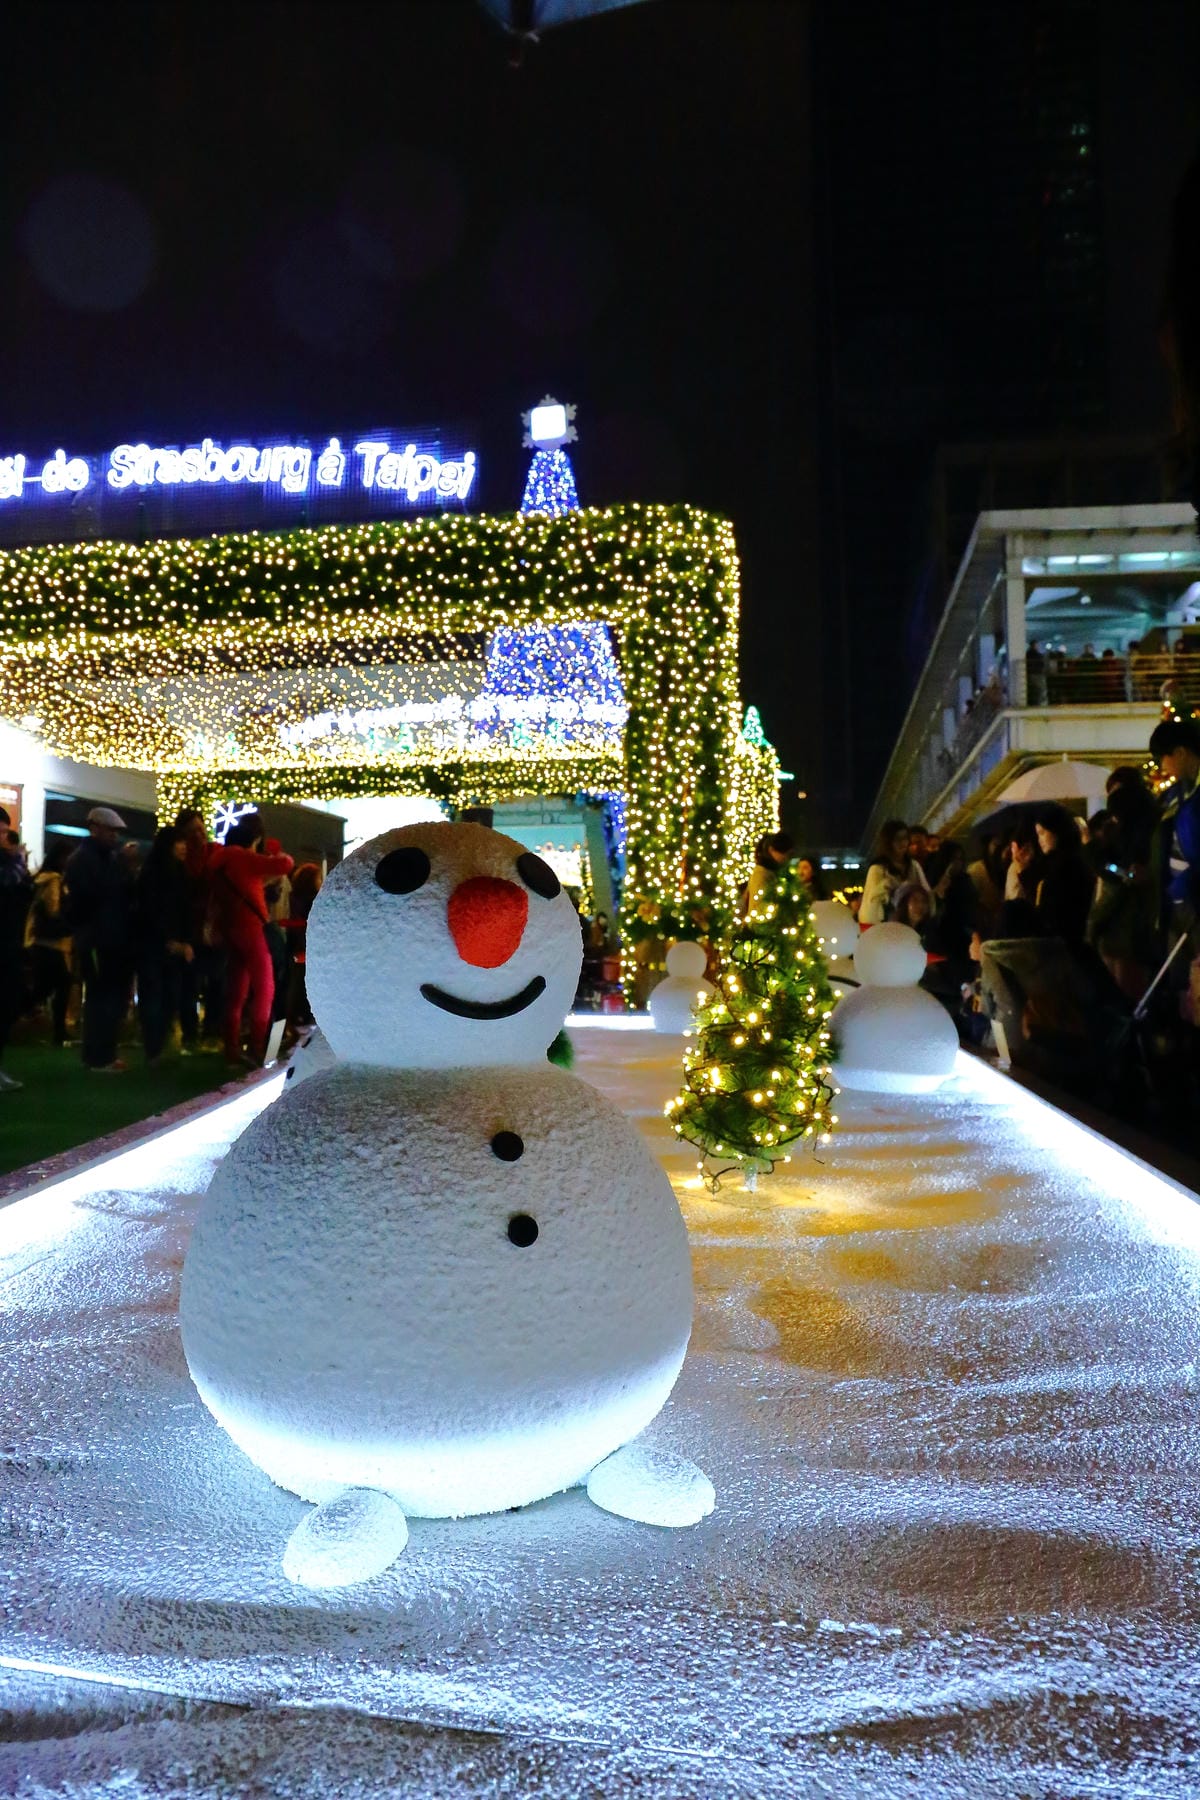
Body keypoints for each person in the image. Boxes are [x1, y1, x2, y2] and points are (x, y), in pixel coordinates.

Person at [208, 813, 293, 1065]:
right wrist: (276, 855)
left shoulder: (219, 862)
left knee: (236, 993)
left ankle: (231, 1048)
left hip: (230, 929)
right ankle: (258, 1045)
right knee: (266, 988)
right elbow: (285, 865)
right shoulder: (244, 858)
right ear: (255, 839)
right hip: (252, 929)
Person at [63, 805, 135, 1072]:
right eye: (110, 830)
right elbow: (95, 896)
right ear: (94, 828)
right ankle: (97, 1057)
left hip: (109, 938)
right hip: (96, 939)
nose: (114, 836)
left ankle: (102, 1054)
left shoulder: (102, 858)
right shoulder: (84, 860)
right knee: (100, 998)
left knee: (109, 998)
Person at [135, 826, 194, 1065]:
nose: (184, 847)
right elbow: (150, 911)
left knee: (169, 997)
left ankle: (157, 1047)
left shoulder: (179, 873)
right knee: (155, 997)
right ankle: (153, 1049)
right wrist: (171, 941)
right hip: (154, 945)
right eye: (178, 842)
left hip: (170, 946)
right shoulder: (154, 873)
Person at [25, 836, 74, 1049]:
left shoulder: (41, 878)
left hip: (41, 941)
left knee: (44, 988)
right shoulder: (54, 881)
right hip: (53, 943)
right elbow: (54, 910)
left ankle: (58, 1031)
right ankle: (59, 1032)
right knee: (57, 986)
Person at [0, 810, 32, 1090]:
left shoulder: (11, 863)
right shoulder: (11, 865)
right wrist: (18, 860)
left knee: (7, 1004)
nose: (4, 839)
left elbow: (23, 894)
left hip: (9, 943)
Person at [1032, 807, 1095, 943]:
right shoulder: (1054, 862)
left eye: (1042, 833)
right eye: (1037, 835)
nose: (1040, 840)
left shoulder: (1067, 865)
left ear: (1056, 831)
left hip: (1065, 941)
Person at [860, 820, 929, 925]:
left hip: (911, 923)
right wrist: (887, 887)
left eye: (905, 838)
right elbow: (872, 900)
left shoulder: (913, 865)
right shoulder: (878, 868)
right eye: (898, 839)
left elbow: (925, 890)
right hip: (885, 925)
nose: (903, 843)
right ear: (888, 842)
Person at [284, 861, 323, 1035]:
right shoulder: (315, 900)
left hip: (293, 947)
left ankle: (292, 1019)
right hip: (309, 949)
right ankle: (306, 1019)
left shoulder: (291, 898)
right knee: (309, 985)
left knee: (294, 984)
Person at [746, 831, 795, 911]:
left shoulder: (773, 870)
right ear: (771, 850)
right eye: (784, 854)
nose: (786, 858)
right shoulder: (761, 874)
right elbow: (760, 906)